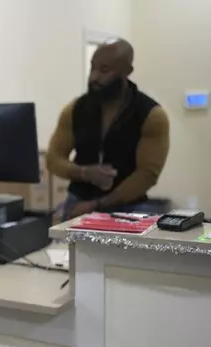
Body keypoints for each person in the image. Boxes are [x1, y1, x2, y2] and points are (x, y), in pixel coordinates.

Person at [46, 38, 170, 221]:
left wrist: (98, 205)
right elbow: (53, 159)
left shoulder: (151, 115)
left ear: (127, 72)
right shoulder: (75, 109)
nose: (94, 77)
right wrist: (84, 173)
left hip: (129, 208)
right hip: (77, 203)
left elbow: (147, 175)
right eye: (92, 67)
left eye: (104, 70)